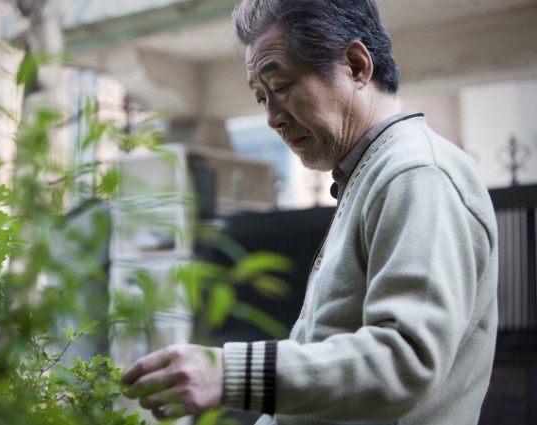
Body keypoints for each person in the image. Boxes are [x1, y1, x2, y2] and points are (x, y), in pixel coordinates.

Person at [120, 1, 499, 424]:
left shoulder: (415, 173)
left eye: (280, 86)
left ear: (356, 66)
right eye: (261, 97)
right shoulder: (369, 176)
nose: (271, 119)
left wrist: (230, 373)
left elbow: (407, 359)